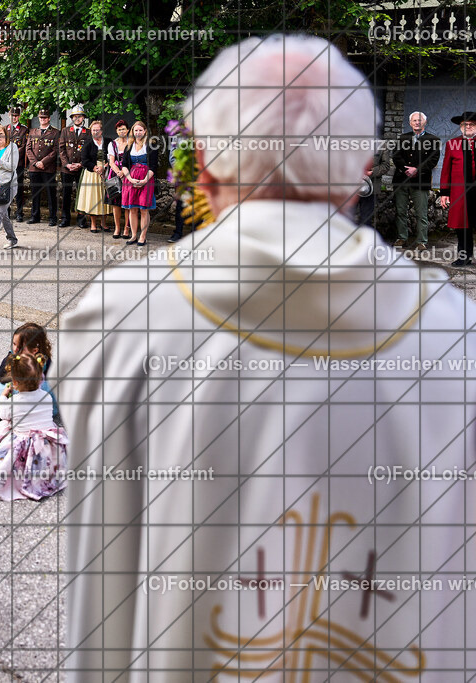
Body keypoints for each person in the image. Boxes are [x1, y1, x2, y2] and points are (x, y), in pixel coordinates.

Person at [60, 34, 476, 682]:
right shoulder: (459, 336)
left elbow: (102, 569)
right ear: (362, 163)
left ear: (201, 164)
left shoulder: (118, 319)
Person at [0, 353, 67, 501]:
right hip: (45, 444)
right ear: (41, 378)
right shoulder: (46, 397)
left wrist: (3, 397)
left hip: (24, 444)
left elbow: (4, 414)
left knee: (4, 427)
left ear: (14, 382)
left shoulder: (15, 401)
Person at [391, 111, 440, 251]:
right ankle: (402, 238)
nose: (417, 123)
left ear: (424, 122)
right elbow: (396, 155)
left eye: (419, 120)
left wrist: (416, 169)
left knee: (421, 213)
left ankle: (422, 241)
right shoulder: (402, 138)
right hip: (401, 179)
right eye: (414, 120)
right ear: (410, 123)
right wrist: (405, 169)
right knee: (400, 211)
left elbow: (433, 159)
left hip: (420, 180)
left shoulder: (434, 140)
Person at [438, 110, 476, 267]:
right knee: (462, 226)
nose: (468, 127)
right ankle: (464, 256)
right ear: (460, 127)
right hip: (460, 192)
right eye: (464, 124)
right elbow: (445, 170)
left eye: (472, 124)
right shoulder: (452, 144)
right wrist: (445, 193)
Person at [119, 120, 157, 246]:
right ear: (132, 132)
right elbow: (124, 165)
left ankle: (143, 236)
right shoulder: (129, 147)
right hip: (131, 179)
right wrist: (129, 179)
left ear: (145, 131)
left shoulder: (151, 145)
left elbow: (153, 166)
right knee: (132, 209)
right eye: (136, 130)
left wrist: (145, 180)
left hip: (146, 179)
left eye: (140, 130)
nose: (138, 132)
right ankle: (134, 235)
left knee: (144, 209)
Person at [58, 106, 93, 228]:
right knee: (66, 194)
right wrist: (67, 164)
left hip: (81, 168)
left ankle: (81, 220)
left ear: (83, 118)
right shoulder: (65, 131)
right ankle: (65, 219)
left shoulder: (88, 132)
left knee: (81, 194)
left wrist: (81, 164)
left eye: (79, 116)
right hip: (67, 169)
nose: (77, 119)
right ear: (72, 118)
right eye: (75, 117)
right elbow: (61, 149)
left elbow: (89, 151)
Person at [26, 109, 60, 226]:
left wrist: (43, 162)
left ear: (49, 118)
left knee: (51, 193)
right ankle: (35, 216)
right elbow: (28, 149)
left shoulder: (55, 132)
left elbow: (56, 150)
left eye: (45, 117)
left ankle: (52, 217)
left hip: (48, 168)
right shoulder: (32, 131)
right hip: (34, 168)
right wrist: (35, 162)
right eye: (41, 117)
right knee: (35, 193)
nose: (43, 119)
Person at [76, 120, 110, 233]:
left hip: (106, 172)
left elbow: (113, 157)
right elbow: (84, 160)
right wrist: (95, 168)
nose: (96, 132)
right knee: (93, 198)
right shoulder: (87, 143)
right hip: (92, 174)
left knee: (104, 198)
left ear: (102, 130)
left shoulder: (109, 142)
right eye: (93, 130)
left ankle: (103, 223)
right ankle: (93, 224)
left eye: (98, 130)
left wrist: (105, 167)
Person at [356, 138, 392, 230]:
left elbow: (386, 166)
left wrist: (371, 172)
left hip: (371, 188)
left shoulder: (382, 144)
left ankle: (364, 242)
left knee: (366, 219)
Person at [106, 120, 130, 239]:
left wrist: (125, 172)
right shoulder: (112, 144)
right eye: (119, 129)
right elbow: (111, 161)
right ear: (116, 131)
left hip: (129, 173)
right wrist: (118, 172)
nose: (122, 131)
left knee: (127, 203)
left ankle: (126, 228)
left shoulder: (132, 143)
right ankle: (117, 228)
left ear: (128, 130)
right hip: (115, 174)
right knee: (116, 203)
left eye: (124, 129)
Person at [7, 107, 29, 221]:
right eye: (12, 115)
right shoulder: (5, 129)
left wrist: (12, 154)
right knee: (6, 187)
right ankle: (6, 211)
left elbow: (23, 146)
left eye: (16, 115)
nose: (14, 117)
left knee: (19, 188)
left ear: (19, 116)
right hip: (5, 164)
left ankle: (19, 213)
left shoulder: (24, 130)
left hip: (17, 163)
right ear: (9, 116)